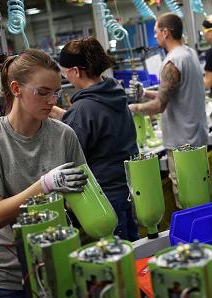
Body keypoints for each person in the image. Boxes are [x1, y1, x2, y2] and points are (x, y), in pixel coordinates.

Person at [0, 49, 88, 297]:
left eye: (55, 92)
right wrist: (46, 184)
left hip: (59, 261)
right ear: (16, 88)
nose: (52, 101)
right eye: (42, 92)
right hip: (10, 275)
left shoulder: (64, 135)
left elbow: (83, 197)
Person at [51, 37, 140, 241]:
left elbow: (70, 158)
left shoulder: (83, 109)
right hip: (126, 190)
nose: (66, 77)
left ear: (76, 71)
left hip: (103, 199)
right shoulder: (113, 94)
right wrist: (57, 113)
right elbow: (91, 121)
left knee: (115, 260)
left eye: (65, 72)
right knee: (131, 251)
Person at [129, 13, 208, 208]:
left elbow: (159, 106)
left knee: (186, 197)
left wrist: (132, 108)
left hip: (181, 143)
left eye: (156, 32)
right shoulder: (189, 53)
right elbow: (175, 92)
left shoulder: (172, 62)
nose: (154, 36)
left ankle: (193, 238)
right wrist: (145, 92)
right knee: (200, 190)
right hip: (197, 136)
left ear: (166, 32)